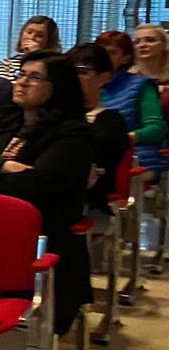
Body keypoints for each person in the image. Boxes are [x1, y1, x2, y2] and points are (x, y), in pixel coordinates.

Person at [0, 52, 93, 333]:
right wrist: (3, 166)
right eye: (21, 74)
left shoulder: (73, 134)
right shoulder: (4, 120)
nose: (22, 82)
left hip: (39, 237)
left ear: (57, 87)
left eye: (34, 77)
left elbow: (33, 188)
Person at [70, 43, 131, 218]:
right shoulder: (49, 115)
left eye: (81, 72)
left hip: (87, 201)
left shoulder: (110, 121)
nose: (72, 78)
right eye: (68, 71)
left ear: (103, 78)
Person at [97, 29, 166, 173]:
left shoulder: (141, 85)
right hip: (101, 163)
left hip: (139, 164)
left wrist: (124, 139)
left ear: (126, 58)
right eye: (99, 53)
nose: (102, 58)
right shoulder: (91, 83)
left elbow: (156, 129)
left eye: (111, 53)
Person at [0, 16, 61, 80]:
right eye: (29, 32)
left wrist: (37, 55)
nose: (31, 37)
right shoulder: (7, 64)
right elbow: (1, 90)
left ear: (49, 41)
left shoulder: (55, 66)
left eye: (39, 36)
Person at [131, 23, 169, 113]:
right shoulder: (126, 80)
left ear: (164, 45)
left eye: (150, 40)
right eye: (136, 42)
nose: (142, 45)